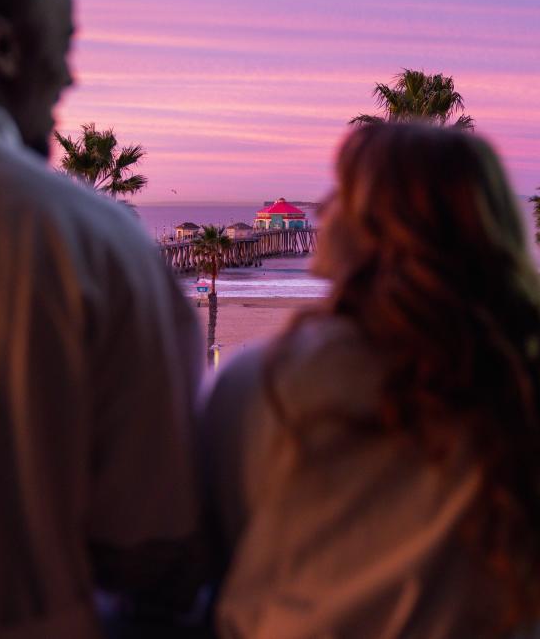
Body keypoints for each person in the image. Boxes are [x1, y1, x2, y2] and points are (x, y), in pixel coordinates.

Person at [0, 0, 205, 637]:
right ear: (1, 47)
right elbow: (152, 546)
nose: (69, 79)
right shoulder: (90, 240)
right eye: (62, 46)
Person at [203, 123, 540, 638]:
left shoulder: (270, 381)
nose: (317, 211)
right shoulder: (519, 379)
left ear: (385, 228)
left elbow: (218, 539)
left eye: (338, 194)